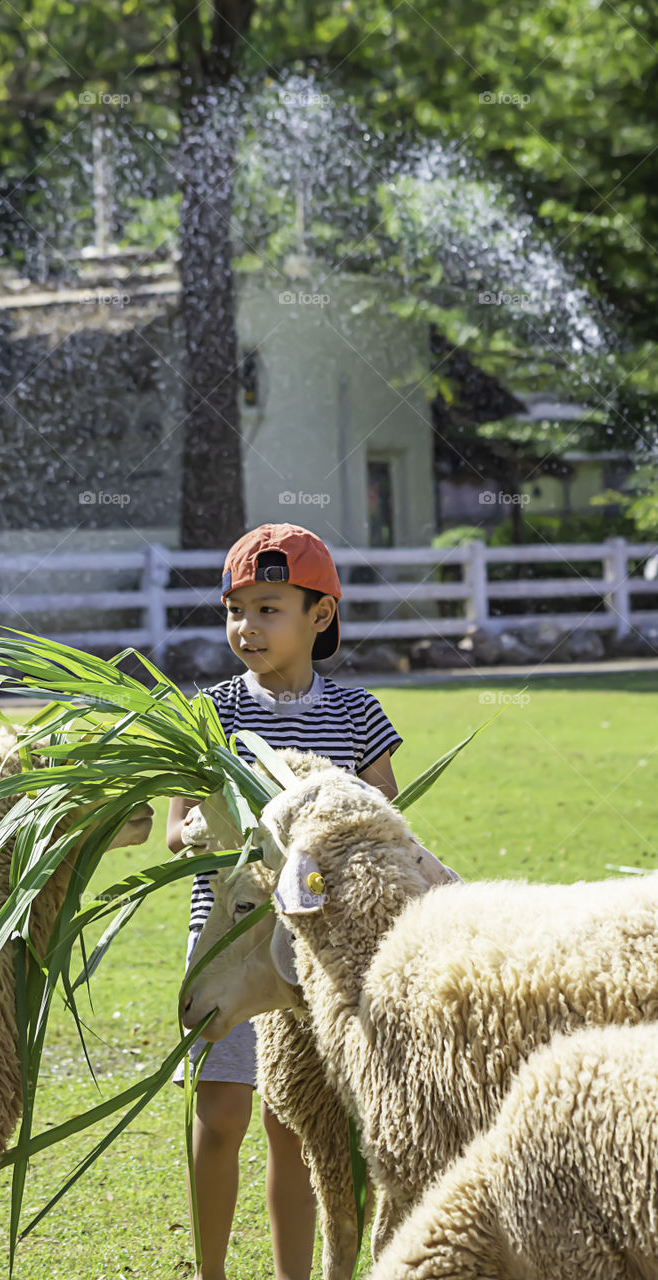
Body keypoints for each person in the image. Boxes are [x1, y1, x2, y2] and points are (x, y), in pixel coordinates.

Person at [167, 522, 403, 1280]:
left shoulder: (357, 714)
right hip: (230, 940)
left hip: (311, 953)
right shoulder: (209, 716)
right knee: (222, 1110)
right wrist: (199, 831)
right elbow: (178, 832)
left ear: (320, 616)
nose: (246, 627)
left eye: (268, 608)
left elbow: (383, 822)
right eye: (235, 610)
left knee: (292, 1120)